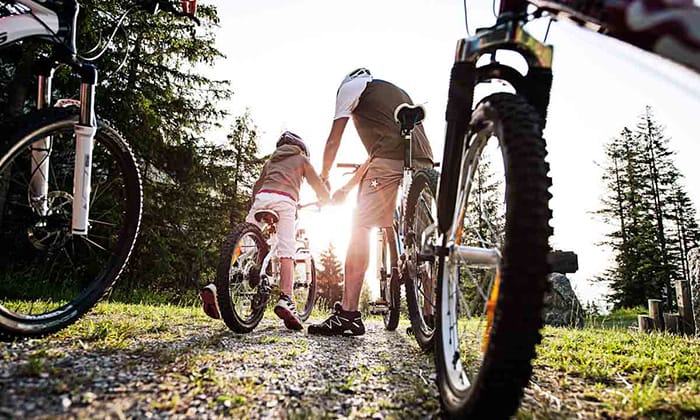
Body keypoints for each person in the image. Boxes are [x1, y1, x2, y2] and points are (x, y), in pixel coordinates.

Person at [308, 68, 434, 337]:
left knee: (360, 226)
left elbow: (334, 139)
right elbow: (373, 157)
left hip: (388, 161)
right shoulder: (392, 90)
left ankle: (349, 314)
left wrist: (325, 176)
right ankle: (428, 316)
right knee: (426, 238)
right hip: (422, 159)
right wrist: (347, 188)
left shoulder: (349, 89)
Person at [200, 131, 330, 330]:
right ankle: (287, 299)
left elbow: (256, 186)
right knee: (287, 251)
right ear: (301, 148)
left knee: (245, 245)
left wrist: (256, 205)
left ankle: (217, 286)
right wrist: (325, 198)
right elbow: (316, 183)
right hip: (286, 202)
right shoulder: (302, 159)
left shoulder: (271, 162)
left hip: (262, 199)